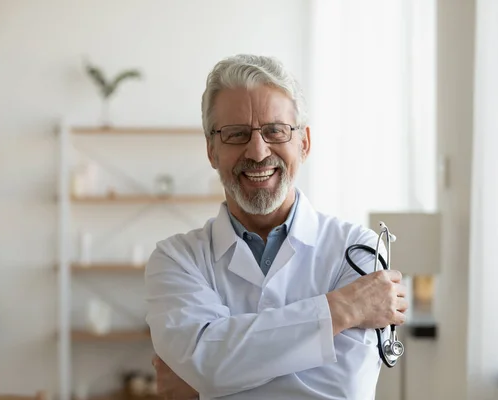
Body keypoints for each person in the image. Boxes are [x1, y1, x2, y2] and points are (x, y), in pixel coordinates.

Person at [145, 54, 408, 400]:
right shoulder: (176, 259)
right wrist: (340, 309)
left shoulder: (358, 250)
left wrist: (205, 385)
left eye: (275, 131)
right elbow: (207, 366)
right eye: (236, 134)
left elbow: (344, 390)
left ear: (304, 143)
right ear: (211, 149)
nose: (257, 151)